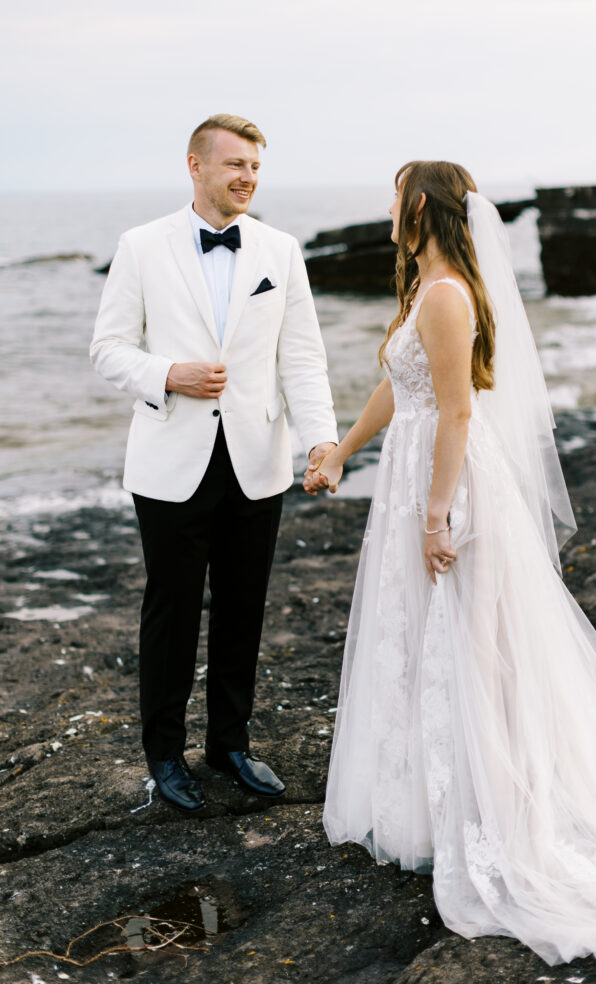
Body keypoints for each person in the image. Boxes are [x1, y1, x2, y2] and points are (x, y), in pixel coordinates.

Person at [311, 161, 596, 984]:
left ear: (420, 208)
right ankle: (432, 798)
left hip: (449, 483)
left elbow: (455, 409)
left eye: (394, 197)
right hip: (415, 472)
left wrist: (436, 515)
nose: (385, 210)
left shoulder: (445, 298)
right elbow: (396, 390)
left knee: (472, 644)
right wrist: (340, 451)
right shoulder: (424, 288)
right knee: (425, 639)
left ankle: (495, 803)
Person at [90, 113, 337, 813]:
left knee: (242, 608)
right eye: (234, 165)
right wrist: (170, 373)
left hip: (258, 458)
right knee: (170, 611)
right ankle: (164, 757)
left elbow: (302, 356)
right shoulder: (141, 246)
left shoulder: (280, 250)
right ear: (195, 166)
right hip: (171, 460)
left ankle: (230, 744)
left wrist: (321, 440)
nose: (247, 178)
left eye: (255, 167)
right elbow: (108, 349)